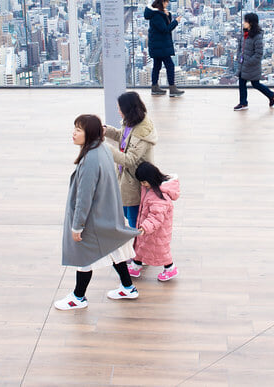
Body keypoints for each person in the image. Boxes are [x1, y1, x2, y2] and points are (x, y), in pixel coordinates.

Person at [55, 114, 141, 311]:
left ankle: (78, 297)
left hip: (94, 218)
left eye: (78, 129)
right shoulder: (101, 149)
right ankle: (128, 287)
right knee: (114, 250)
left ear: (90, 133)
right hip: (107, 213)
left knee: (84, 256)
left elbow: (84, 198)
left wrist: (77, 226)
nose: (74, 133)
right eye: (74, 128)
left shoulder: (91, 158)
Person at [103, 91, 158, 233]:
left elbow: (130, 159)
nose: (118, 111)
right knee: (126, 213)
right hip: (125, 178)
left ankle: (136, 251)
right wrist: (106, 131)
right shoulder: (130, 123)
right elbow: (123, 138)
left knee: (134, 220)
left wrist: (107, 148)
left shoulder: (142, 131)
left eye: (119, 109)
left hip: (135, 181)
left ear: (127, 110)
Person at [131, 161, 180, 282]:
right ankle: (136, 266)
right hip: (149, 229)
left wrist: (145, 227)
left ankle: (170, 268)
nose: (142, 184)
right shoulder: (150, 188)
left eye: (143, 182)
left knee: (162, 251)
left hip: (157, 231)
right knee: (140, 247)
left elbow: (156, 217)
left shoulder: (159, 196)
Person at [143, 0, 184, 97]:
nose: (167, 4)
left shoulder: (157, 13)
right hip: (160, 46)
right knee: (170, 66)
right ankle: (172, 89)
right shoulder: (156, 15)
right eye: (166, 2)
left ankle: (155, 87)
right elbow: (165, 29)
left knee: (157, 66)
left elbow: (165, 24)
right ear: (162, 2)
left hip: (158, 45)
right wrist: (176, 22)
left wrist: (167, 14)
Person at [235, 12, 274, 111]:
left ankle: (271, 94)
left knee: (255, 84)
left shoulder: (257, 36)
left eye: (246, 21)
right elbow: (240, 48)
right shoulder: (244, 34)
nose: (244, 23)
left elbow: (259, 54)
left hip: (251, 66)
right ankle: (243, 103)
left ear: (251, 23)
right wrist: (239, 57)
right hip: (243, 64)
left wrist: (248, 61)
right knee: (242, 83)